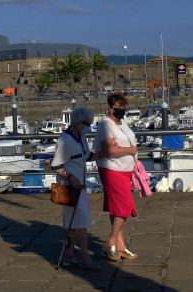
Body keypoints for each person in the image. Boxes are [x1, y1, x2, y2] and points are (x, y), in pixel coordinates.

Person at [92, 93, 140, 262]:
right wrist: (129, 150)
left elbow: (120, 145)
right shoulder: (106, 124)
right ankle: (111, 241)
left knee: (117, 207)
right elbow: (110, 150)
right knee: (124, 207)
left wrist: (125, 148)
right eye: (118, 107)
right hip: (112, 170)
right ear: (110, 108)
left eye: (123, 107)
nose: (121, 110)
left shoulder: (122, 122)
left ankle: (120, 245)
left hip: (125, 170)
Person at [51, 106, 98, 270]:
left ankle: (69, 255)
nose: (88, 126)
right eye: (87, 123)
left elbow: (87, 156)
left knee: (73, 225)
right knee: (83, 222)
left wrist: (105, 153)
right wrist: (71, 177)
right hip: (69, 189)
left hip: (82, 188)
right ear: (78, 123)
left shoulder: (82, 137)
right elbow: (56, 165)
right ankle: (85, 256)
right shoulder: (65, 141)